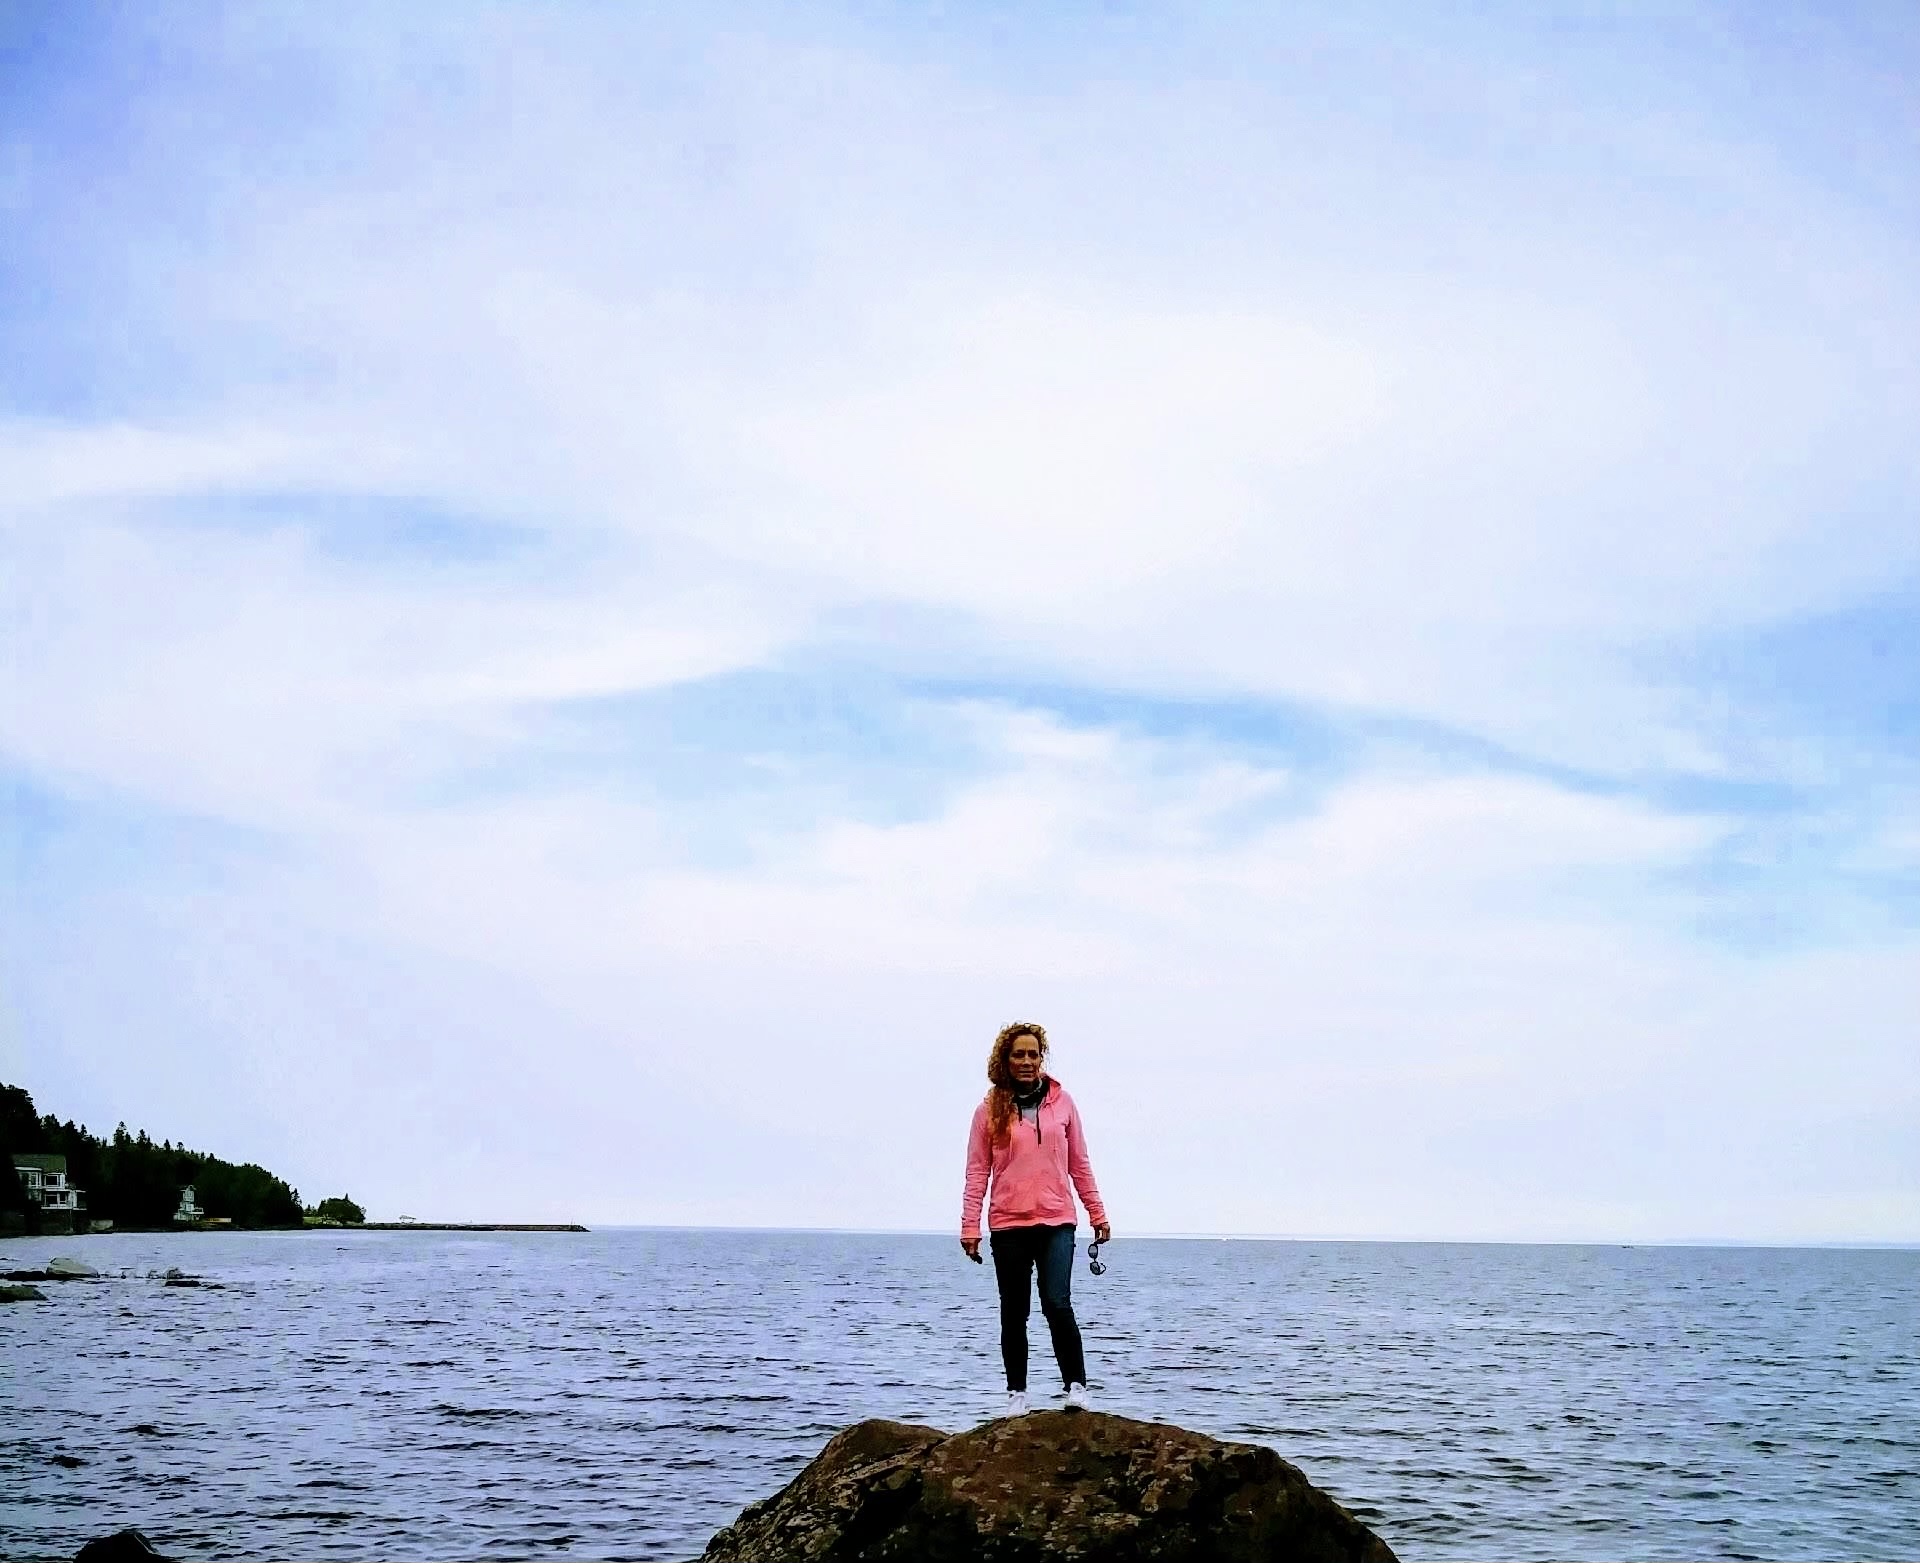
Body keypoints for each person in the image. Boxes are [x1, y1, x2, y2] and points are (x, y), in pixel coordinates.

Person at [960, 1021, 1112, 1418]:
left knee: (1057, 1303)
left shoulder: (1063, 1104)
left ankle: (1076, 1387)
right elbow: (977, 1171)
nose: (1027, 1061)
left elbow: (1079, 1163)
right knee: (1014, 1311)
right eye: (1019, 1054)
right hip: (1008, 1224)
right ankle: (1017, 1394)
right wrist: (970, 1225)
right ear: (1005, 1060)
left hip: (1057, 1220)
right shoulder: (987, 1110)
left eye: (1033, 1054)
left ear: (1041, 1058)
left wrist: (1097, 1212)